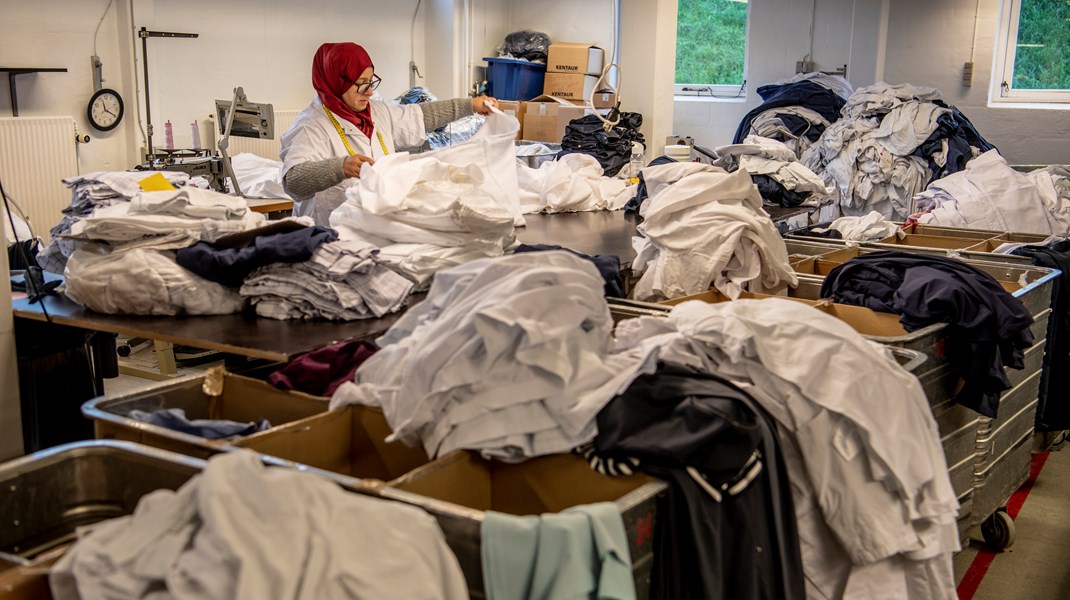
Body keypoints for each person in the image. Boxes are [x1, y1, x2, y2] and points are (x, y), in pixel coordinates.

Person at [280, 42, 498, 225]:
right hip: (329, 233)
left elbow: (421, 116)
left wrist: (471, 105)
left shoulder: (376, 112)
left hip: (373, 228)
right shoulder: (311, 126)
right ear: (336, 82)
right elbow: (293, 181)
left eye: (371, 81)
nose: (370, 91)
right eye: (361, 84)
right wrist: (340, 167)